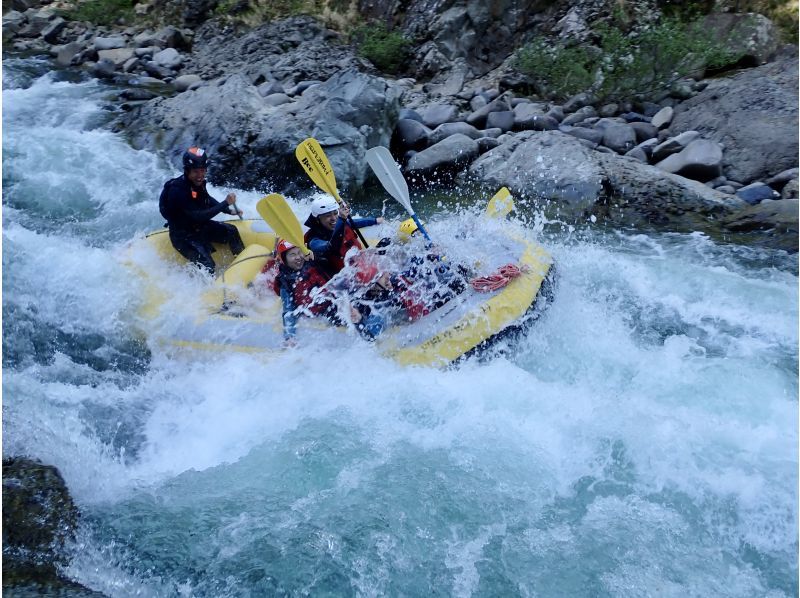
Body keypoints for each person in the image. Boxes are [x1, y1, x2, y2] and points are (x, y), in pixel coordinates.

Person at [272, 239, 383, 342]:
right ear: (284, 259)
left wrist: (315, 255)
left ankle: (379, 322)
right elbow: (288, 311)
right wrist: (289, 337)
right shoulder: (285, 282)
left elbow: (330, 256)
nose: (298, 257)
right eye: (292, 255)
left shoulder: (313, 263)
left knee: (367, 300)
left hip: (335, 297)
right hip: (323, 311)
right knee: (352, 314)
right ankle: (371, 338)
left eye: (299, 253)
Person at [159, 147, 244, 272]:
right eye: (196, 172)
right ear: (187, 171)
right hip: (183, 236)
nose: (200, 176)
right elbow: (198, 215)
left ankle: (243, 265)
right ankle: (212, 289)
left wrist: (228, 210)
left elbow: (207, 199)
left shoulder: (197, 183)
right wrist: (225, 202)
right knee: (208, 265)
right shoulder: (177, 190)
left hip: (198, 227)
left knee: (232, 231)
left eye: (203, 171)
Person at [304, 197, 383, 276]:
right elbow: (332, 247)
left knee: (385, 243)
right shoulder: (314, 241)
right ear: (318, 219)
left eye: (335, 213)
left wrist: (375, 220)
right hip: (344, 279)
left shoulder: (342, 223)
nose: (334, 218)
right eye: (328, 216)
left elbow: (353, 222)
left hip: (361, 265)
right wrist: (341, 219)